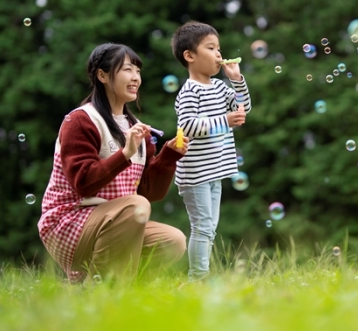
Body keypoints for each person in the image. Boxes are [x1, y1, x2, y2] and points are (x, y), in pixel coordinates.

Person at [38, 43, 189, 283]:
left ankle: (114, 289)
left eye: (138, 71)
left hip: (115, 222)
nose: (136, 78)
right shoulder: (81, 121)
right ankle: (97, 292)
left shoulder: (136, 128)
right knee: (135, 206)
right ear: (102, 75)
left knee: (173, 241)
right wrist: (125, 153)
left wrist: (168, 157)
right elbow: (84, 183)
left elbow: (149, 192)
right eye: (127, 70)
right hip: (69, 221)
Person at [171, 21, 252, 281]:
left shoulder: (219, 87)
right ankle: (197, 278)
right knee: (203, 227)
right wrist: (224, 122)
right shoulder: (188, 92)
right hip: (195, 173)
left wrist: (237, 80)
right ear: (190, 56)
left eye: (219, 48)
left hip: (215, 169)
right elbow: (189, 126)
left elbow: (243, 108)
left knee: (209, 228)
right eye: (211, 48)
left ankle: (199, 276)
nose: (219, 54)